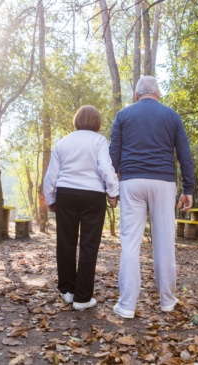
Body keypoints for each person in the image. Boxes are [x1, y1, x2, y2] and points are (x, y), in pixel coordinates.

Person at [109, 76, 194, 319]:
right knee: (165, 242)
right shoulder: (172, 116)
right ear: (158, 94)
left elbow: (113, 153)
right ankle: (167, 300)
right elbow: (185, 155)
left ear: (136, 96)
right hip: (163, 182)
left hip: (131, 182)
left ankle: (126, 305)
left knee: (130, 243)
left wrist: (111, 188)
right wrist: (189, 189)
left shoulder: (123, 115)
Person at [43, 105, 119, 311]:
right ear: (97, 123)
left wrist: (50, 199)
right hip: (93, 196)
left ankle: (67, 291)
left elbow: (51, 175)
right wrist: (113, 193)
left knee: (65, 242)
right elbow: (106, 167)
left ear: (77, 120)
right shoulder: (99, 141)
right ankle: (82, 298)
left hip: (66, 194)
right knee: (89, 245)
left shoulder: (63, 142)